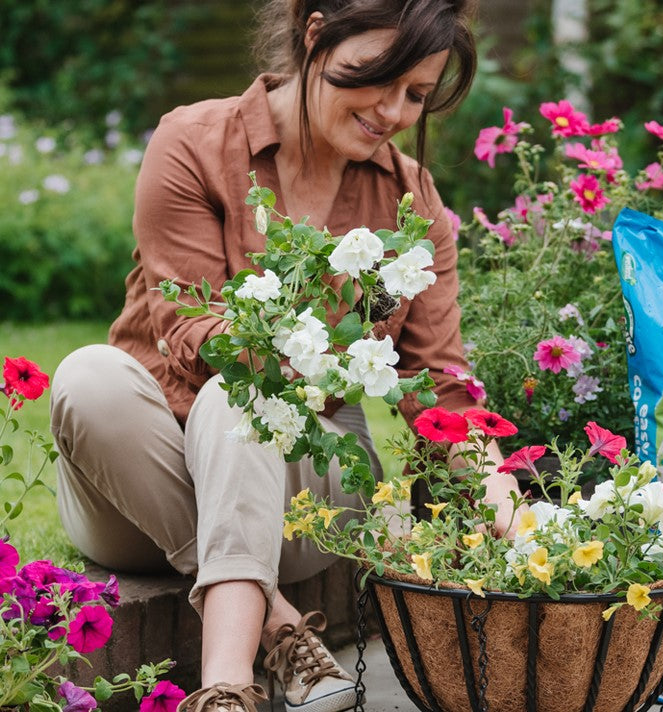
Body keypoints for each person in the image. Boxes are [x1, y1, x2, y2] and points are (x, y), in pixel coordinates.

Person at [48, 2, 520, 711]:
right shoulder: (194, 143)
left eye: (417, 94)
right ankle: (276, 623)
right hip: (136, 491)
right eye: (380, 78)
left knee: (245, 398)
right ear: (315, 33)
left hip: (303, 502)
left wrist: (511, 513)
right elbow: (192, 323)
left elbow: (442, 389)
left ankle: (226, 688)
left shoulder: (410, 202)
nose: (394, 111)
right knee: (93, 376)